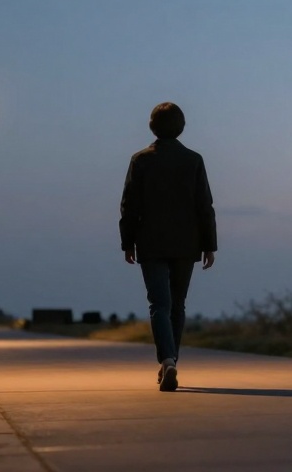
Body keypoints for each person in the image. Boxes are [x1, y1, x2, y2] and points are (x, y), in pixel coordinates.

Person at [119, 101, 217, 392]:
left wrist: (127, 242)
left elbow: (129, 205)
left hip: (150, 242)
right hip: (187, 244)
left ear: (152, 127)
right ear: (181, 127)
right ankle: (172, 359)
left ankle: (168, 360)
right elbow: (205, 206)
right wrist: (209, 245)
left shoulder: (141, 160)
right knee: (178, 305)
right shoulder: (193, 160)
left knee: (159, 304)